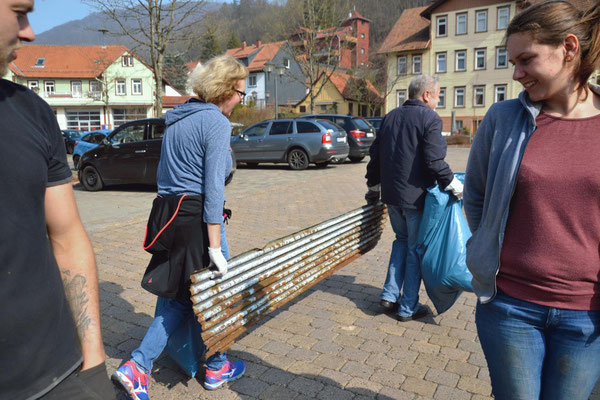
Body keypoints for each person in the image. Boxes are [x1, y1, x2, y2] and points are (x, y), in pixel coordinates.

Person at [464, 0, 600, 398]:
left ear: (569, 48)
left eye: (527, 59)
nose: (517, 73)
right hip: (510, 307)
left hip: (588, 315)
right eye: (513, 61)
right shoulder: (504, 118)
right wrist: (488, 244)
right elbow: (476, 195)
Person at [111, 54, 248, 400]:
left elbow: (165, 177)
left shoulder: (176, 119)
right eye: (241, 94)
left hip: (171, 216)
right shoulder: (215, 123)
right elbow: (214, 188)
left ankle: (146, 366)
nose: (242, 101)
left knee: (182, 298)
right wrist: (215, 248)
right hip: (200, 222)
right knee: (215, 293)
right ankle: (202, 367)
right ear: (227, 90)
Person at [0, 1, 115, 399]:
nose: (29, 31)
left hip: (62, 374)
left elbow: (67, 237)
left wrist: (94, 357)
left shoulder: (32, 112)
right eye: (18, 12)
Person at [365, 74, 463, 322]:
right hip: (416, 198)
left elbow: (374, 157)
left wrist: (373, 188)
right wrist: (454, 184)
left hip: (391, 196)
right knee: (415, 249)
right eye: (438, 95)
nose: (438, 101)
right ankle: (407, 307)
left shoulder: (389, 117)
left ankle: (389, 295)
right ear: (426, 94)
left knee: (401, 241)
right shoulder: (430, 118)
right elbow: (434, 160)